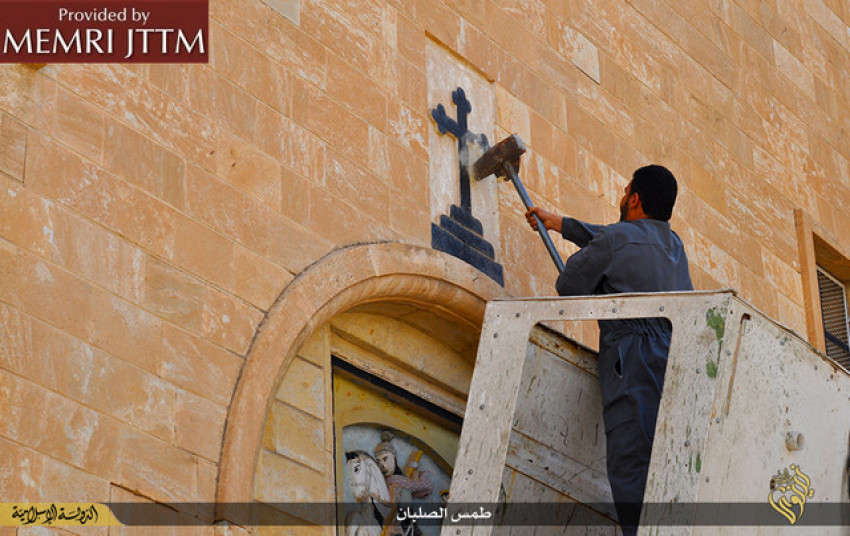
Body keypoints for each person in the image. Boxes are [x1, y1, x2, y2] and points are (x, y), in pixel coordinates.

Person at [525, 164, 693, 535]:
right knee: (663, 464)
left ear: (634, 199)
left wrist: (583, 259)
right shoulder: (674, 245)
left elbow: (569, 285)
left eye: (624, 191)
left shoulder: (617, 241)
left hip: (632, 360)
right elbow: (620, 239)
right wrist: (562, 224)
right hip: (673, 360)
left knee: (631, 465)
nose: (621, 197)